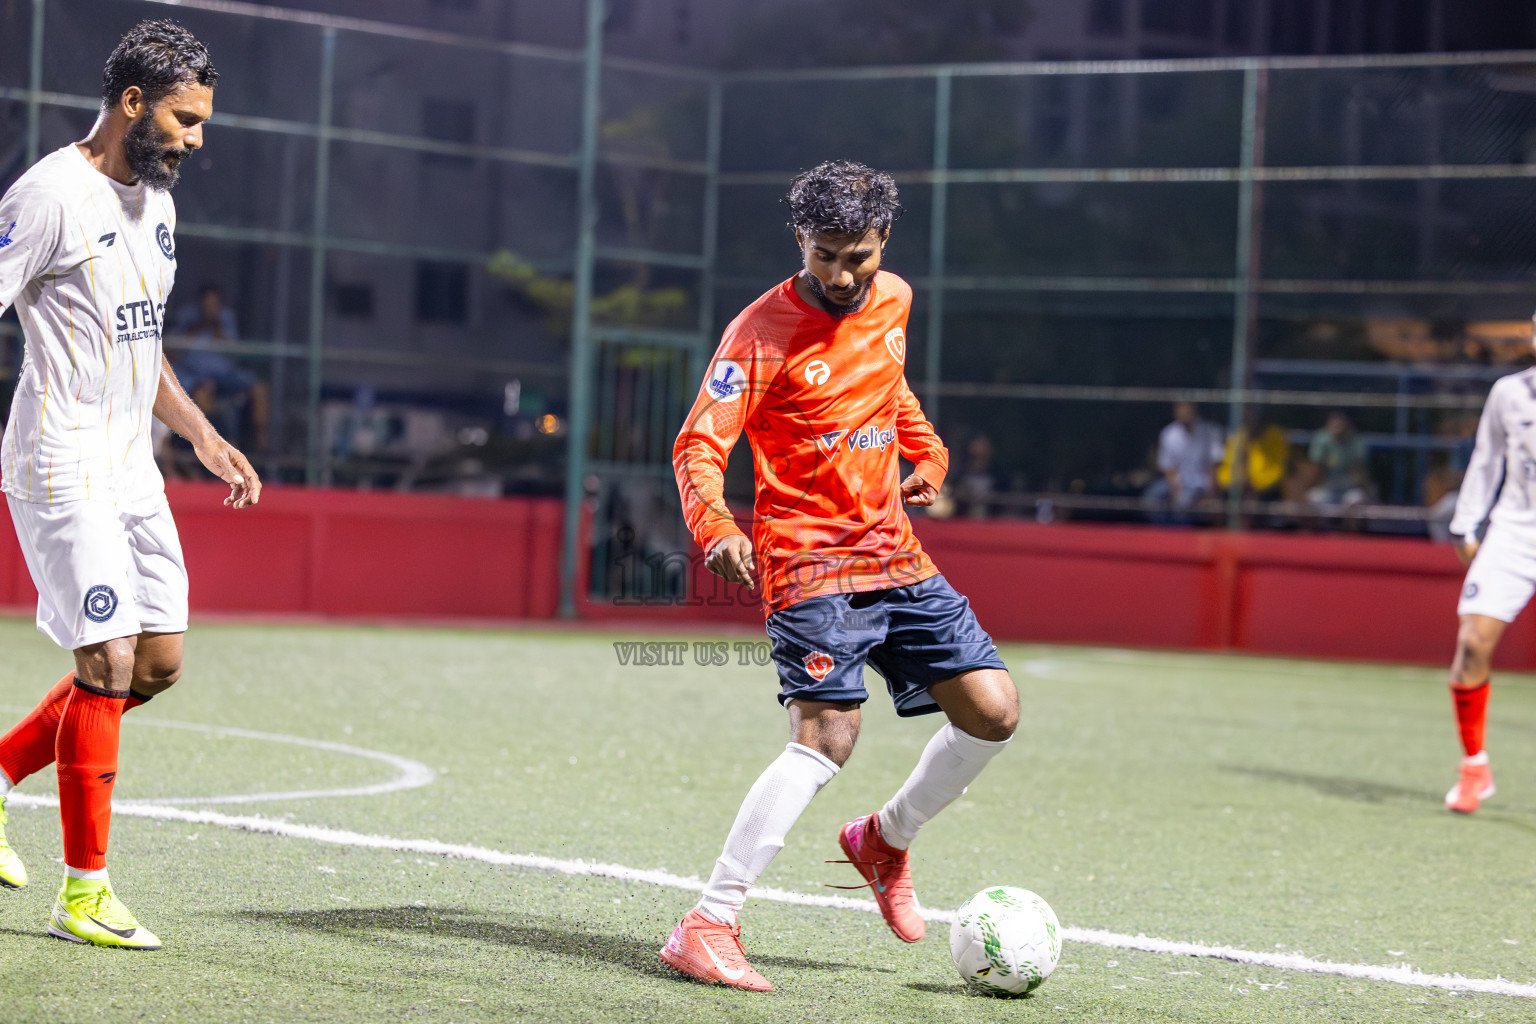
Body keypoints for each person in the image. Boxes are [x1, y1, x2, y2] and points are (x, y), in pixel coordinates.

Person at [663, 161, 1017, 992]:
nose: (842, 274)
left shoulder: (892, 298)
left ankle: (884, 840)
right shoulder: (759, 332)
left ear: (882, 240)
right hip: (808, 558)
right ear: (802, 241)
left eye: (856, 255)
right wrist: (714, 523)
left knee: (994, 713)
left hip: (894, 551)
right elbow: (699, 444)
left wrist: (925, 451)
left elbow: (889, 392)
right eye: (826, 255)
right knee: (827, 737)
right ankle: (708, 921)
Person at [0, 21, 260, 948]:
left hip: (131, 467)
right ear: (134, 103)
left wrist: (202, 435)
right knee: (103, 663)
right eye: (187, 120)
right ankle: (84, 895)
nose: (197, 139)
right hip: (60, 460)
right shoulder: (49, 196)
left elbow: (140, 346)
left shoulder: (159, 204)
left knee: (155, 667)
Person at [1441, 314, 1536, 814]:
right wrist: (1465, 522)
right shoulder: (1509, 393)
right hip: (1516, 533)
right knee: (1472, 643)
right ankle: (1474, 766)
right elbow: (1486, 459)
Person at [171, 284, 270, 450]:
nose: (210, 308)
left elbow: (232, 350)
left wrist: (216, 326)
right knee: (203, 393)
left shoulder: (225, 318)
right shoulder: (187, 317)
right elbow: (173, 349)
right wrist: (201, 325)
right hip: (195, 376)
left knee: (259, 389)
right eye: (206, 305)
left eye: (214, 305)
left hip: (225, 375)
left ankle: (262, 447)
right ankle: (219, 446)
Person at [1142, 401, 1222, 523]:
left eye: (1187, 409)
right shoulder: (1169, 433)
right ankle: (1161, 533)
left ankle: (1183, 535)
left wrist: (1210, 493)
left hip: (1201, 484)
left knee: (1186, 502)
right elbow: (1168, 467)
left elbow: (1214, 466)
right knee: (1151, 497)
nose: (1184, 413)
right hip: (1176, 483)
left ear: (1194, 410)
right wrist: (1176, 490)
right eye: (1180, 409)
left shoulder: (1211, 431)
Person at [1307, 411, 1370, 507]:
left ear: (1347, 425)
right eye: (1334, 424)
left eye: (1341, 423)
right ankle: (1324, 522)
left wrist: (1361, 485)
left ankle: (1349, 522)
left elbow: (1359, 469)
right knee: (1314, 498)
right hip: (1327, 488)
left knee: (1356, 499)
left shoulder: (1355, 440)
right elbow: (1315, 466)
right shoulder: (1322, 439)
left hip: (1349, 488)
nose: (1338, 427)